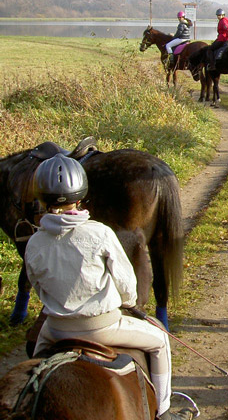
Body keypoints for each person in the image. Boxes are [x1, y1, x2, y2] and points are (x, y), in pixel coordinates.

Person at [24, 154, 197, 420]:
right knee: (160, 341)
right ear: (80, 196)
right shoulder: (100, 233)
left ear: (42, 198)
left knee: (34, 371)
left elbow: (38, 286)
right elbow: (126, 283)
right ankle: (164, 412)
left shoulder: (34, 242)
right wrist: (127, 302)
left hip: (55, 329)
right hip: (103, 327)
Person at [207, 8, 228, 72]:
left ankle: (212, 65)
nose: (219, 17)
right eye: (218, 15)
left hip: (222, 39)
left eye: (220, 15)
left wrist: (227, 39)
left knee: (210, 49)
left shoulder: (223, 21)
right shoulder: (222, 21)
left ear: (223, 15)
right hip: (220, 38)